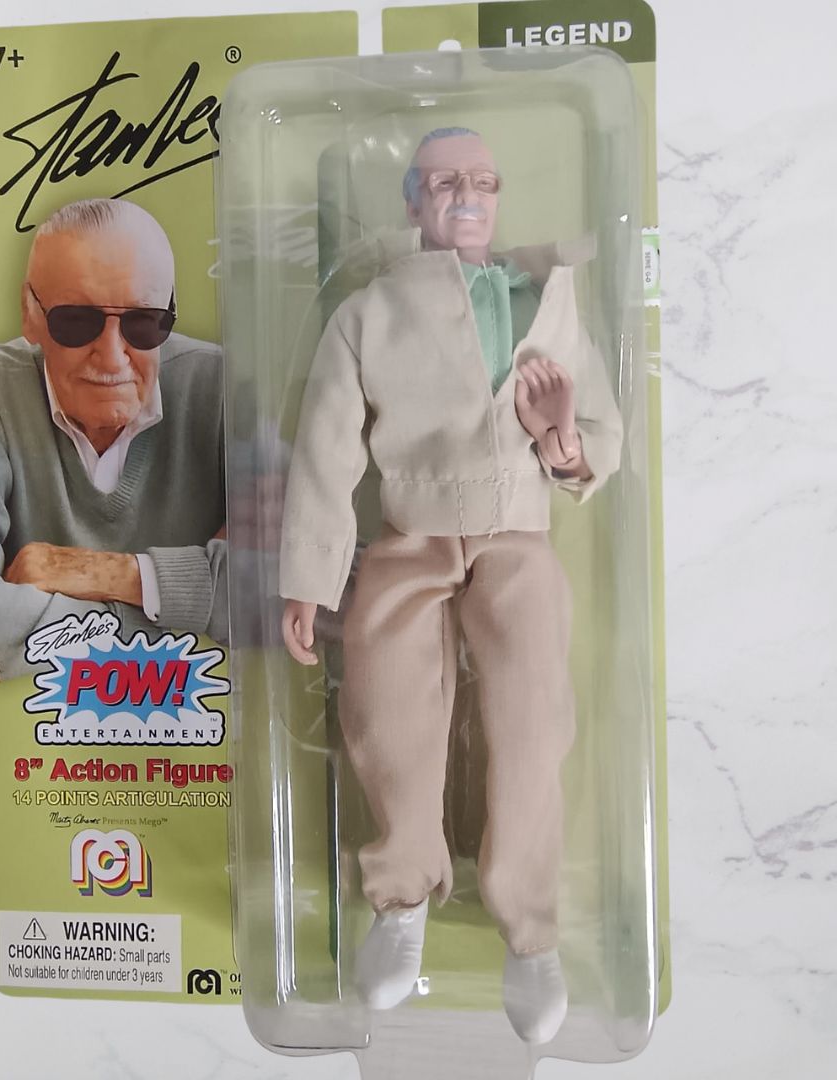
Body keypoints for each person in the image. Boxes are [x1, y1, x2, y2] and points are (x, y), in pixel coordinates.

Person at [278, 128, 623, 1042]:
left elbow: (597, 435)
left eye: (482, 181)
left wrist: (559, 440)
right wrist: (309, 579)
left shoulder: (548, 299)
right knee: (386, 713)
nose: (466, 196)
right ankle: (400, 899)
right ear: (411, 199)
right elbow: (326, 450)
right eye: (443, 182)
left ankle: (531, 931)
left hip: (519, 533)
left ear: (499, 193)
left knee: (534, 721)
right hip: (411, 530)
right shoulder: (371, 312)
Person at [0, 198, 227, 681]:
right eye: (76, 321)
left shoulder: (225, 393)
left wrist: (103, 573)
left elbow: (312, 589)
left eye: (143, 322)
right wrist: (195, 609)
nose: (112, 357)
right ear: (30, 313)